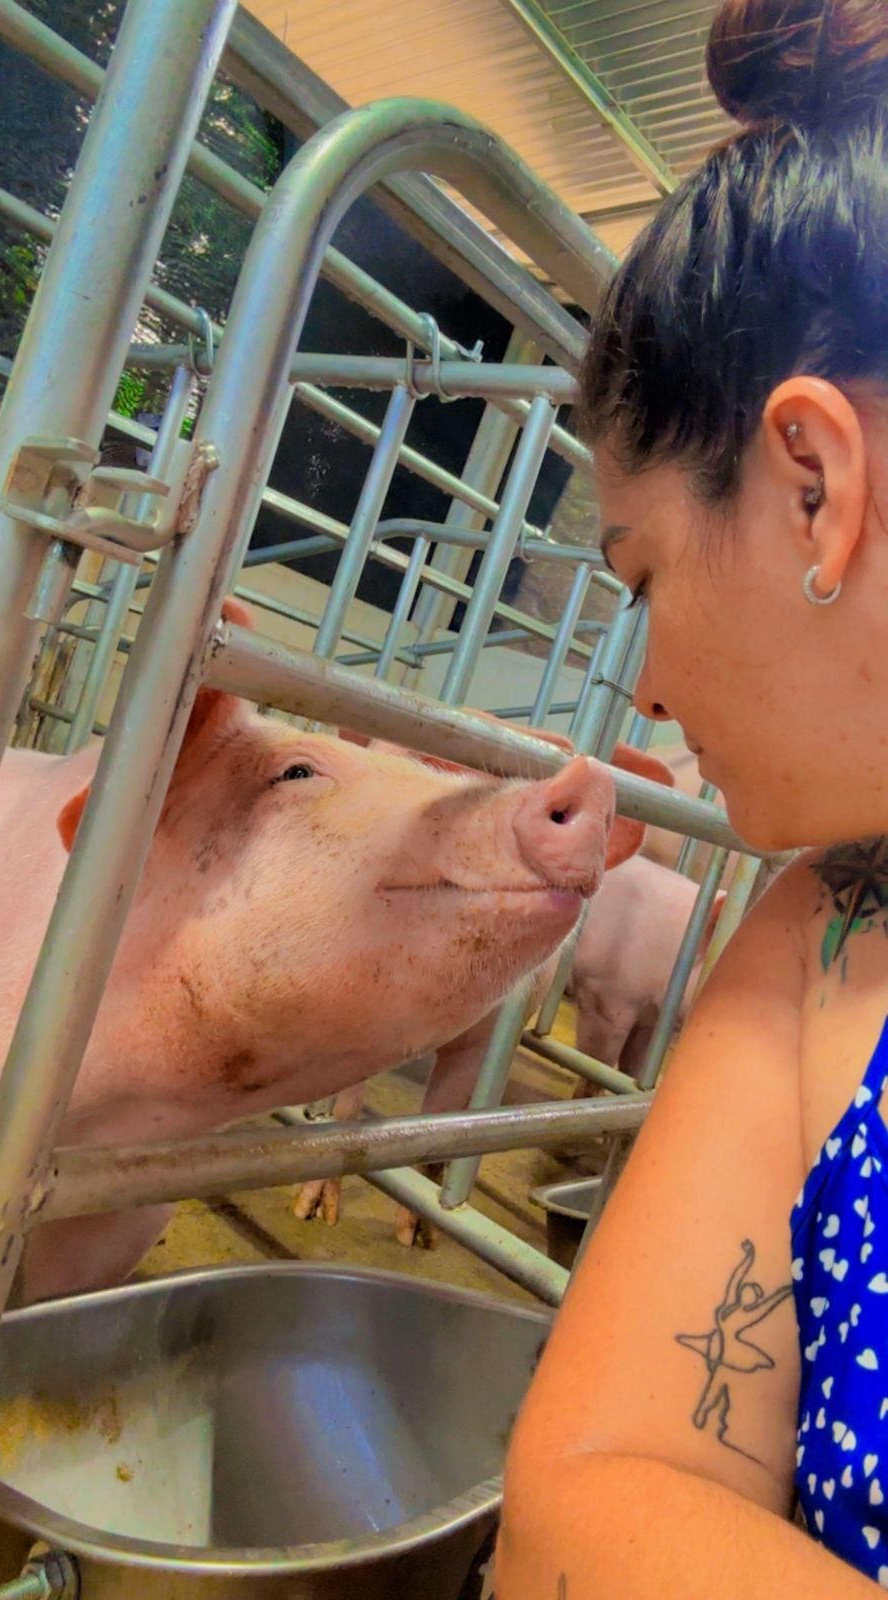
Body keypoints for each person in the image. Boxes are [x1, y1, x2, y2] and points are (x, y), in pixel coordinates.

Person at [495, 0, 888, 1594]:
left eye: (641, 572)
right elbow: (579, 1503)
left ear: (813, 484)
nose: (645, 685)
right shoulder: (822, 931)